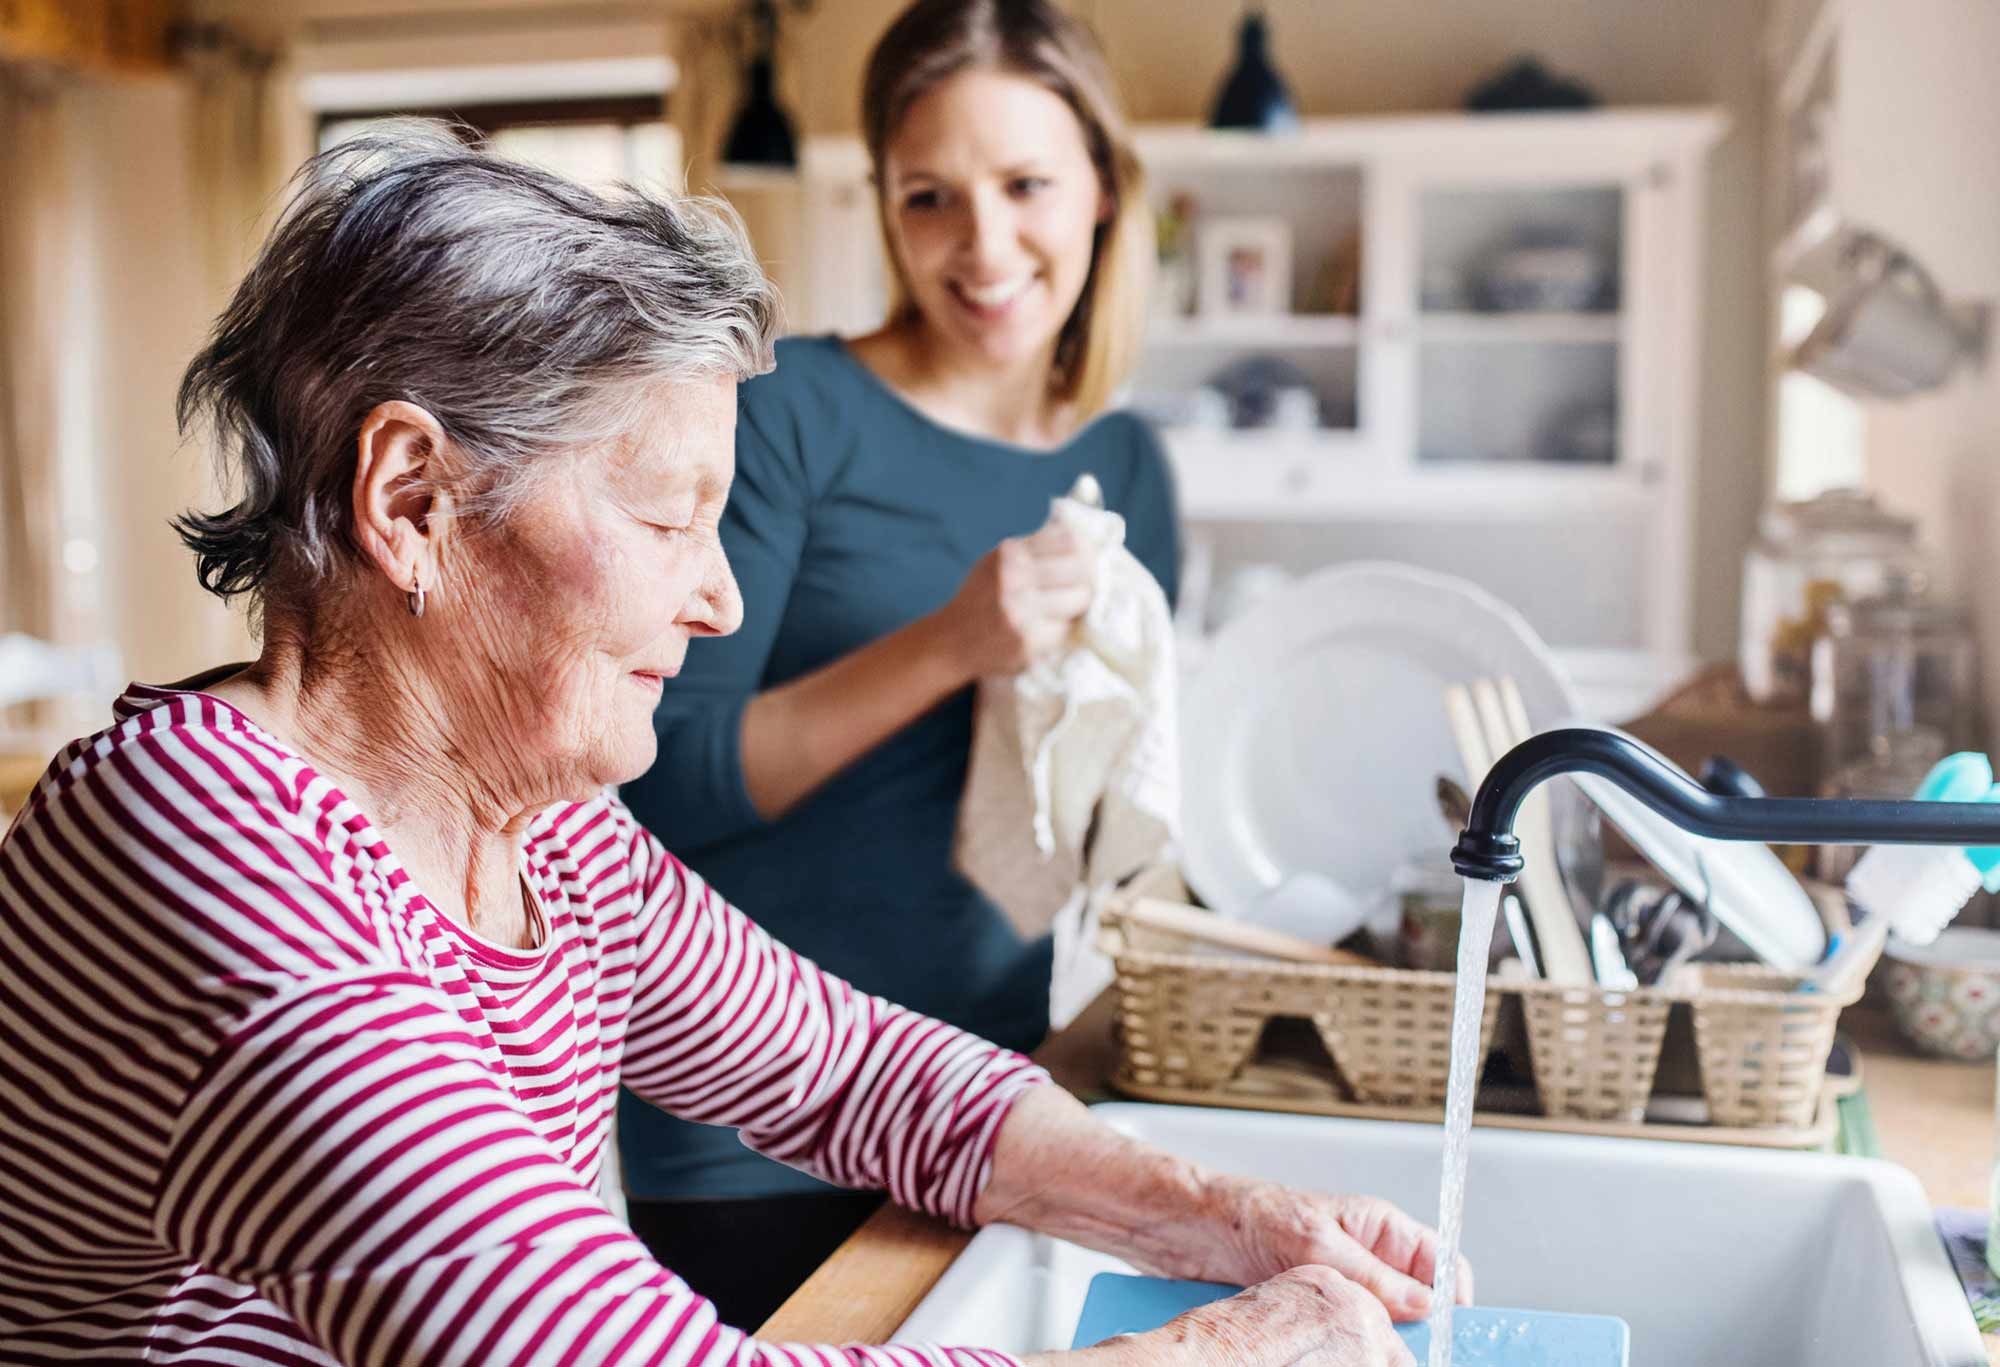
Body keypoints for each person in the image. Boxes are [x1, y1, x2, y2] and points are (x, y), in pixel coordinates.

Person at [0, 125, 1463, 1367]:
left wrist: (1244, 1220)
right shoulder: (205, 854)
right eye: (663, 518)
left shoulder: (538, 828)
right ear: (412, 502)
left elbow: (859, 1078)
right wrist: (1221, 1352)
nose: (720, 599)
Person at [617, 0, 1180, 1322]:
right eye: (930, 197)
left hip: (997, 1097)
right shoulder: (788, 411)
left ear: (1102, 187)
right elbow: (664, 782)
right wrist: (949, 646)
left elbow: (1106, 781)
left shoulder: (1131, 462)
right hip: (751, 1130)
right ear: (885, 207)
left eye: (1026, 184)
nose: (982, 247)